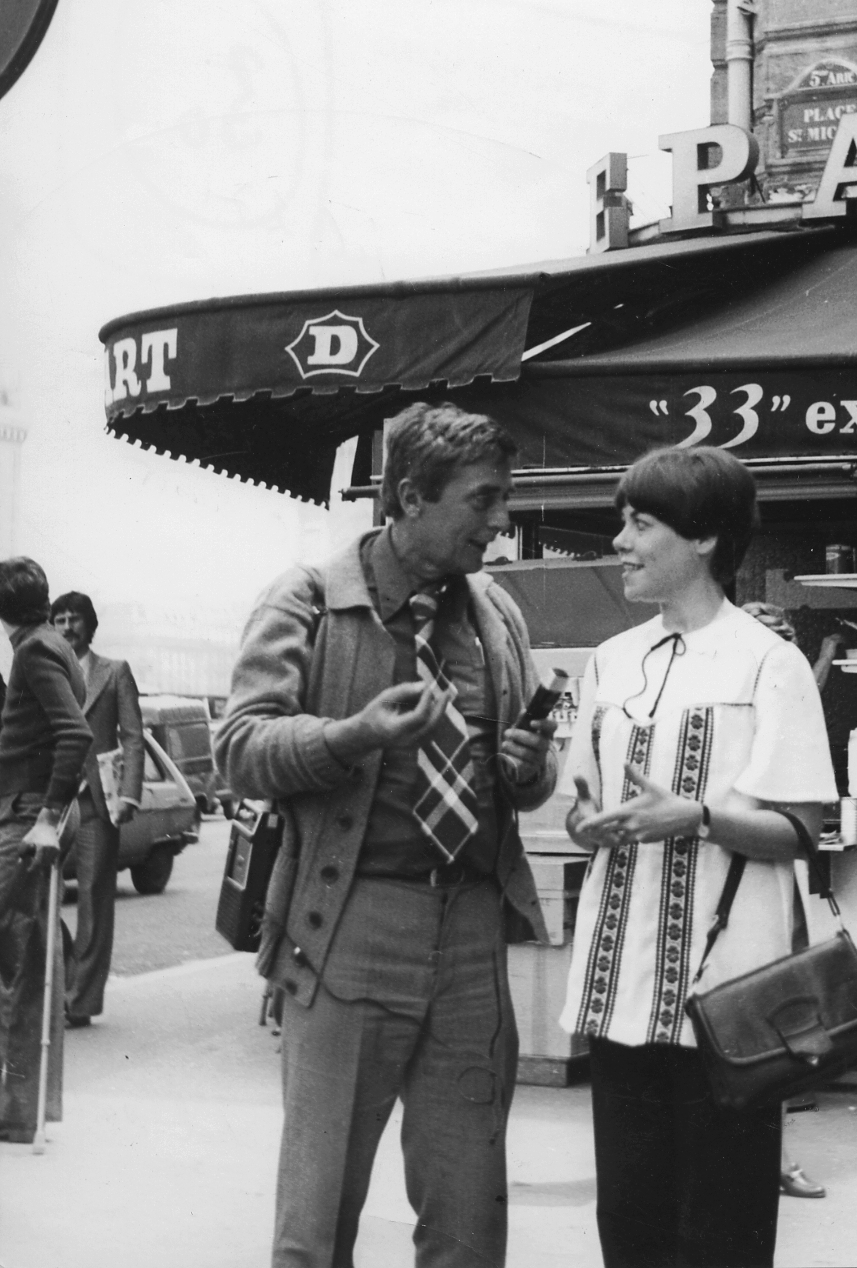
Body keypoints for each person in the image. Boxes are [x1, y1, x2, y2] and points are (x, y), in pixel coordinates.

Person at [215, 401, 559, 1268]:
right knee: (318, 1215)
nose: (500, 521)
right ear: (410, 496)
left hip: (473, 931)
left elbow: (527, 781)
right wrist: (351, 735)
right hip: (349, 928)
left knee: (469, 1217)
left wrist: (527, 764)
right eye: (482, 501)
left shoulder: (496, 616)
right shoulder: (308, 602)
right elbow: (241, 748)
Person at [562, 447, 837, 1268]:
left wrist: (696, 816)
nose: (621, 541)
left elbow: (801, 826)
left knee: (720, 1230)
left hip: (726, 1002)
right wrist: (591, 825)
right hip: (621, 991)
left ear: (707, 538)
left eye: (641, 524)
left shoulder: (768, 662)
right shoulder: (610, 660)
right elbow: (581, 806)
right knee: (631, 1223)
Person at [740, 600, 833, 1202]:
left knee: (777, 1012)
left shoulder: (788, 692)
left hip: (771, 876)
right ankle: (759, 1154)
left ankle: (773, 1154)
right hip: (726, 880)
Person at [0, 557, 92, 1142]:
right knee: (27, 953)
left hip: (29, 813)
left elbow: (74, 733)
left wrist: (46, 818)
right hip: (35, 808)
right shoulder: (53, 644)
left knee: (20, 955)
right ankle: (21, 1107)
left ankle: (17, 1109)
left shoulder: (33, 651)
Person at [50, 589, 145, 1029]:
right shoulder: (44, 671)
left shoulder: (115, 672)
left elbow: (132, 737)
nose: (67, 627)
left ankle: (79, 1001)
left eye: (75, 618)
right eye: (60, 619)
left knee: (92, 900)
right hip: (48, 803)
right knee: (34, 898)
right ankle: (64, 973)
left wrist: (128, 795)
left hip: (96, 805)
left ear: (90, 624)